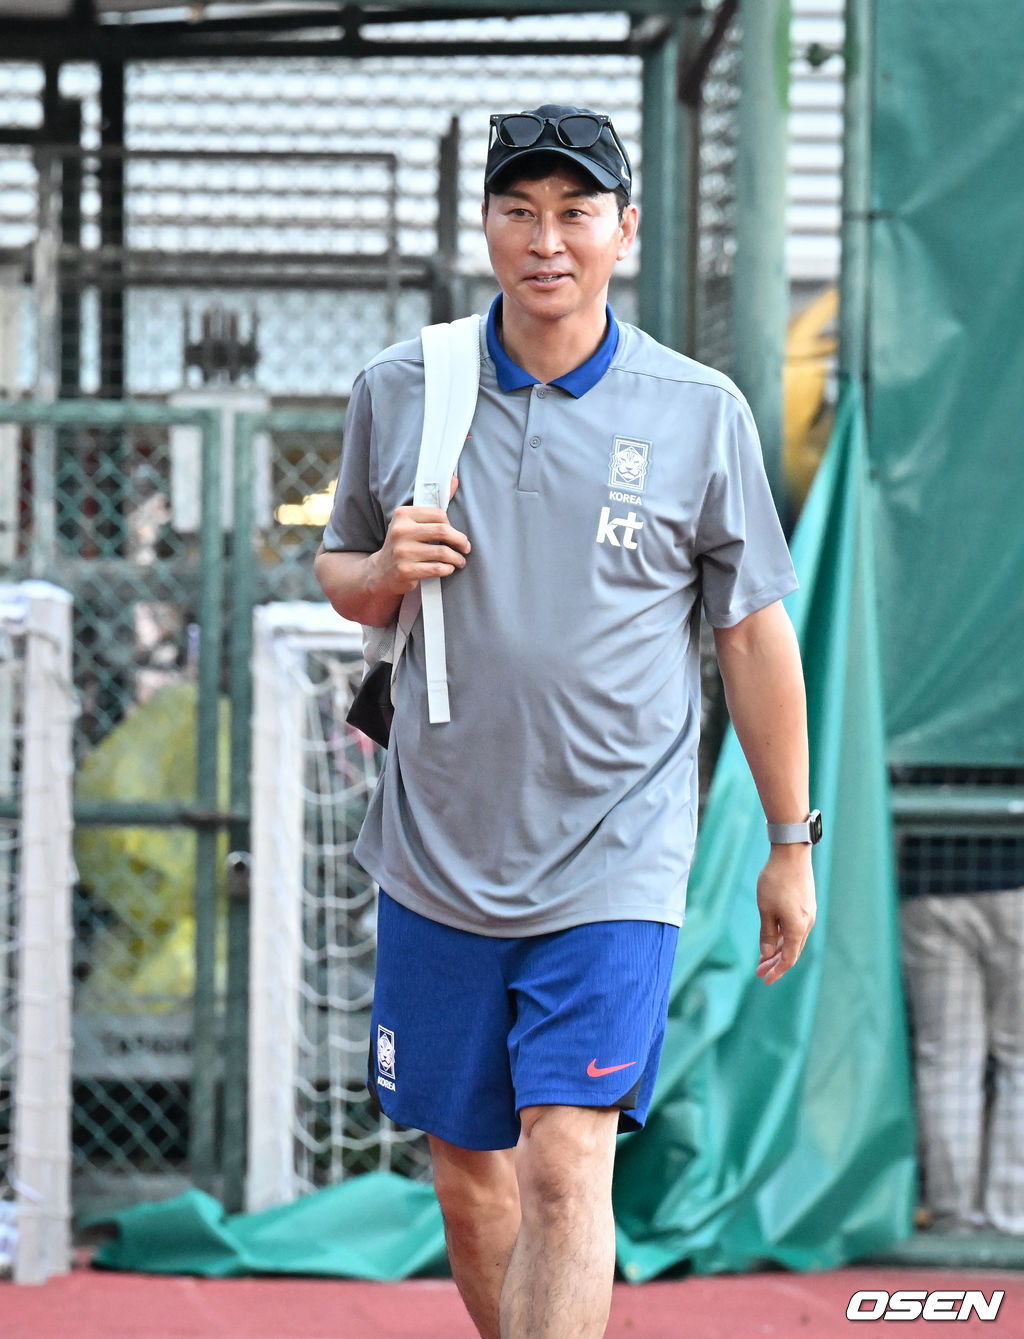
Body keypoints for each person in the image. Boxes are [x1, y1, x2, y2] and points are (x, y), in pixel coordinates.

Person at [315, 104, 818, 1339]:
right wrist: (383, 566)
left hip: (615, 850)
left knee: (563, 1158)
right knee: (472, 1173)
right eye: (519, 210)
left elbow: (752, 634)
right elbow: (338, 572)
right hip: (435, 845)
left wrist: (789, 838)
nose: (547, 240)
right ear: (486, 225)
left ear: (623, 230)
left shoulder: (699, 409)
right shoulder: (404, 389)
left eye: (575, 212)